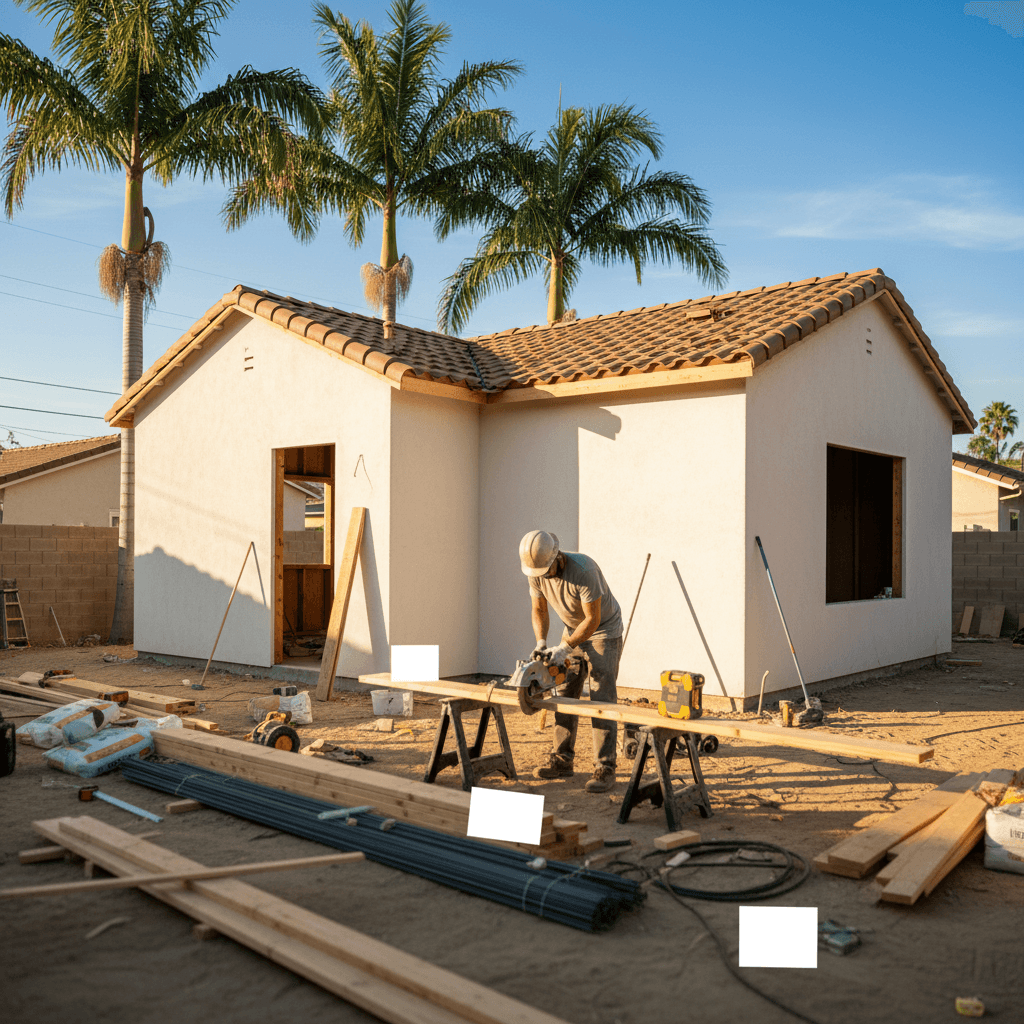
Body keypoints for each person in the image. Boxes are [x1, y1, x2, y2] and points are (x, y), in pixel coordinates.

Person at [520, 529, 623, 793]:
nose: (542, 577)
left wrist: (565, 647)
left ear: (558, 557)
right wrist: (541, 642)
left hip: (603, 632)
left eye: (546, 570)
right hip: (572, 630)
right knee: (566, 694)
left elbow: (593, 620)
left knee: (601, 698)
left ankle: (605, 768)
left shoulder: (584, 570)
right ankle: (562, 760)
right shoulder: (536, 571)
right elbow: (539, 609)